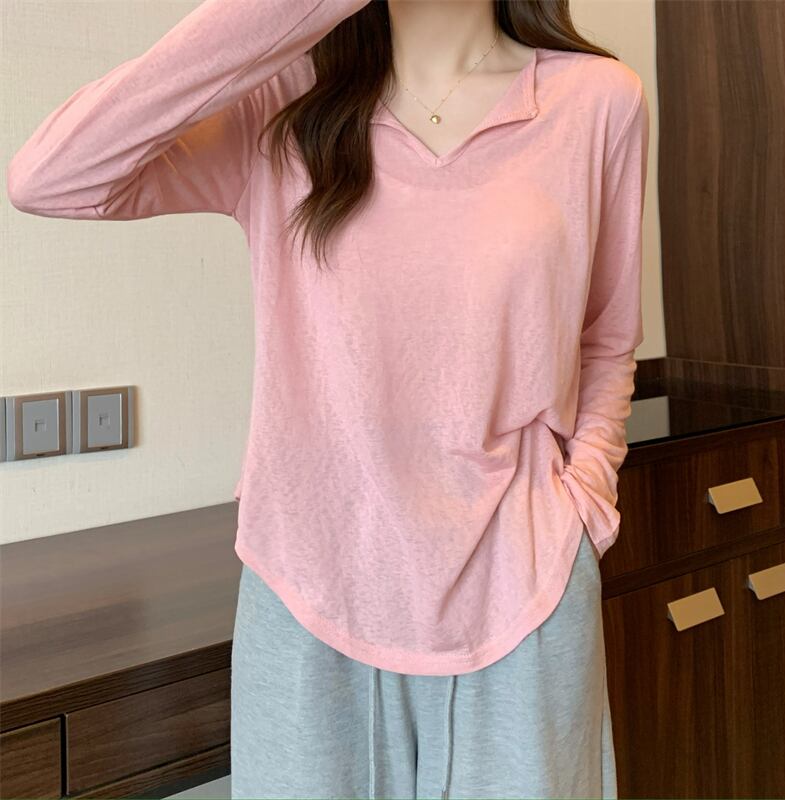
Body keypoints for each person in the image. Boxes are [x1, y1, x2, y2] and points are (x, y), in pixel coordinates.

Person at [6, 0, 649, 797]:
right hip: (307, 584)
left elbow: (605, 336)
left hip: (523, 585)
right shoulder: (282, 104)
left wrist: (584, 503)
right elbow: (50, 177)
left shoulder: (596, 100)